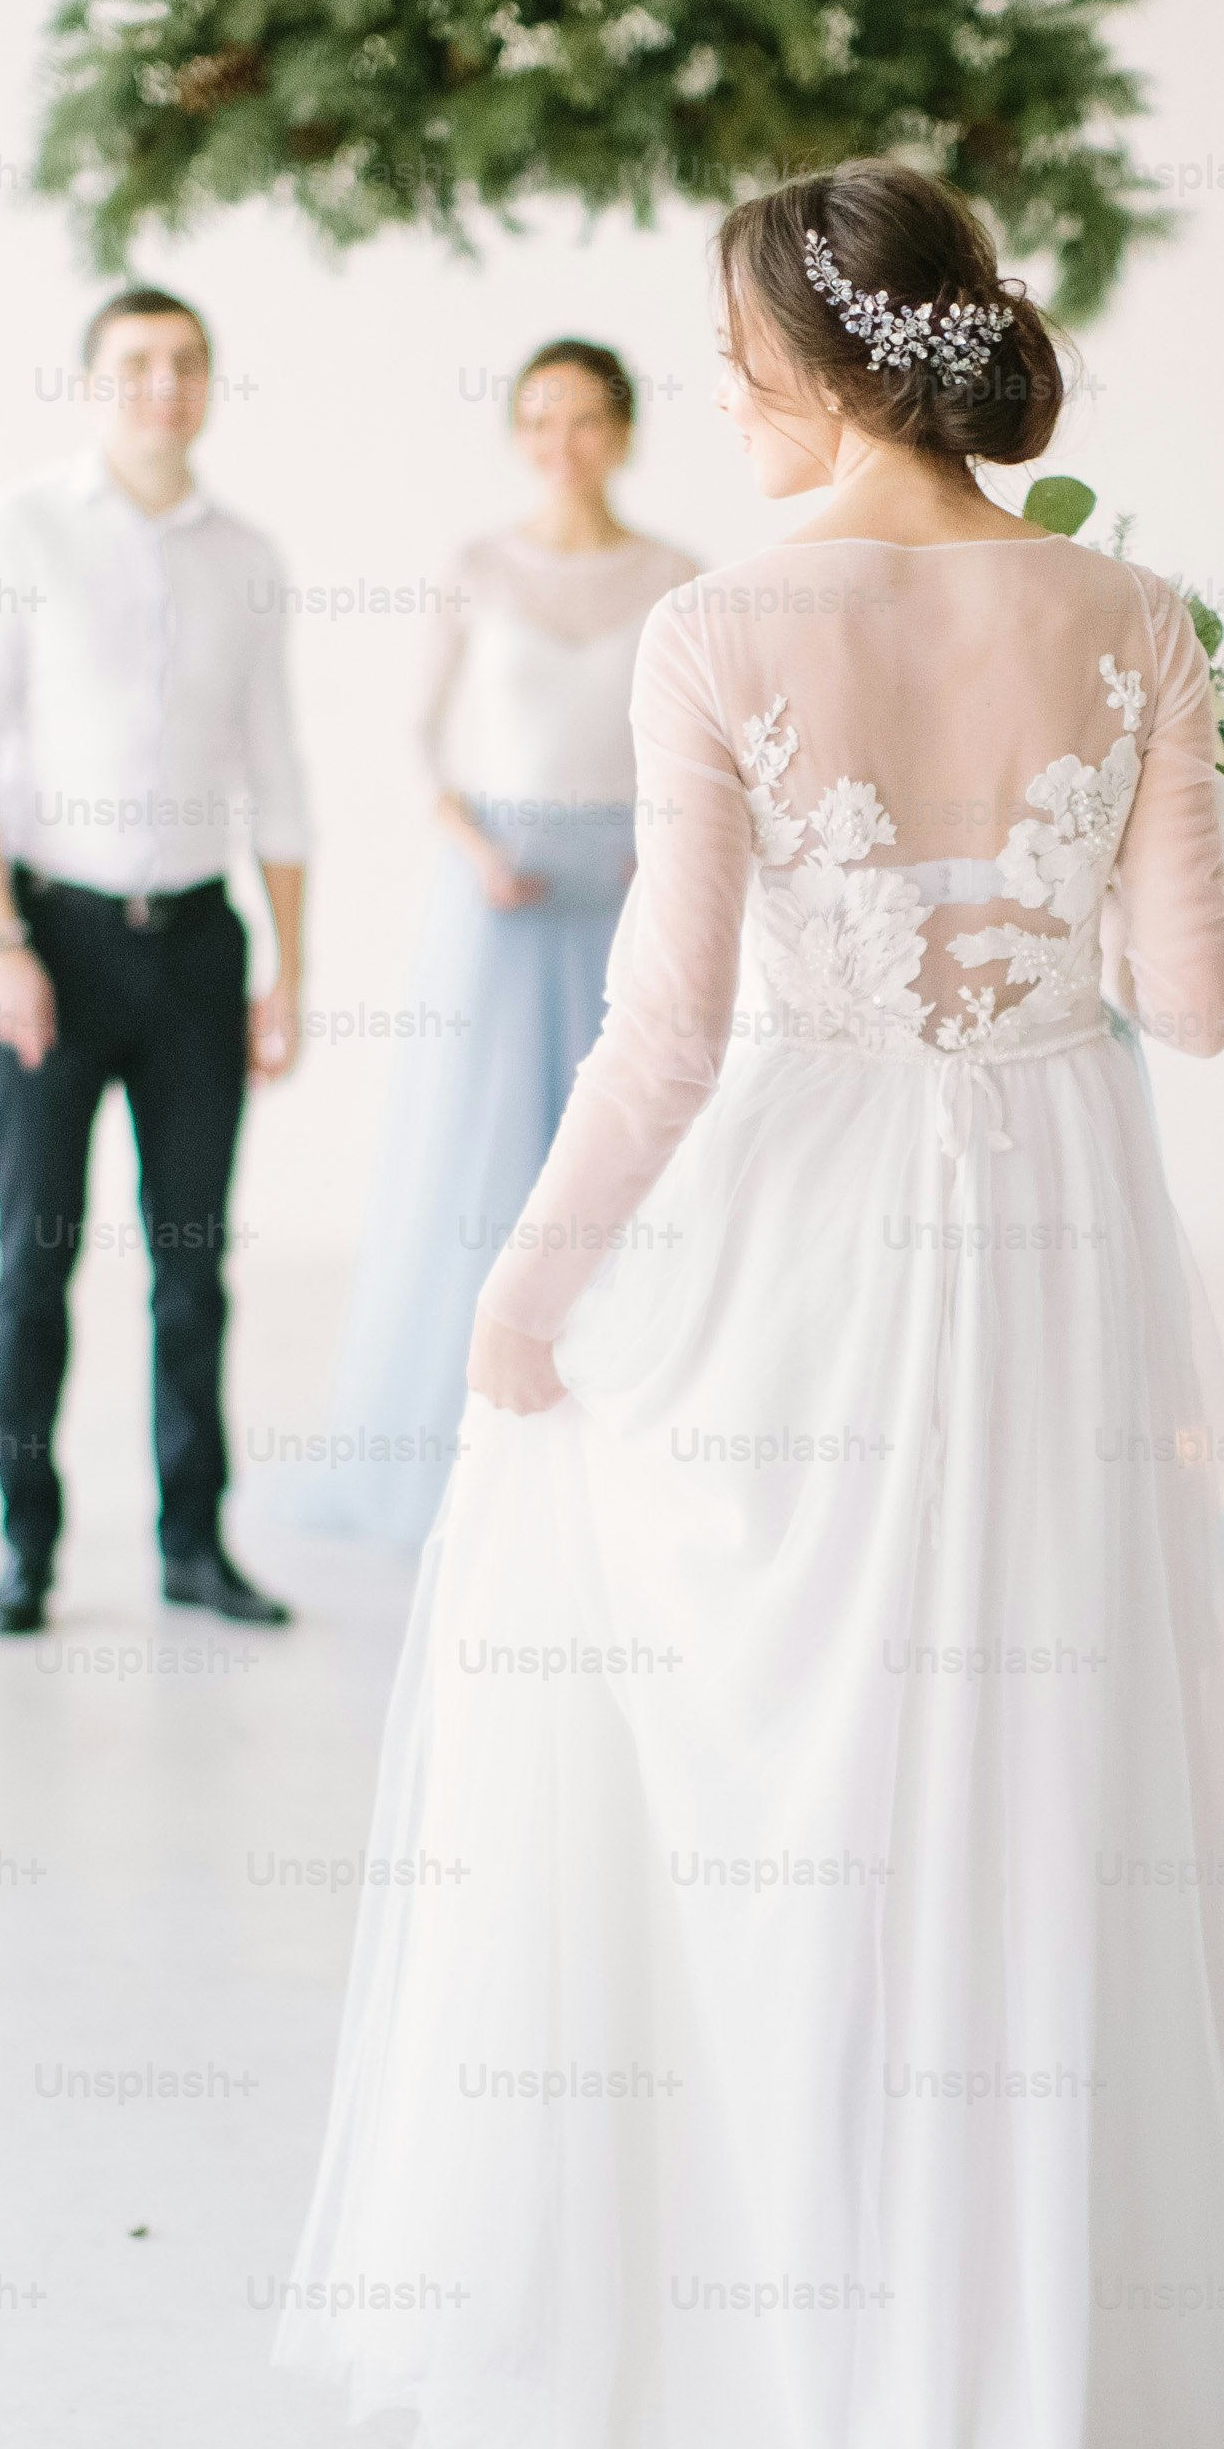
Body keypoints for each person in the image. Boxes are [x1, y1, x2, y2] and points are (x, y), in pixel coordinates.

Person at [276, 161, 1224, 2449]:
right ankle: (1022, 2422)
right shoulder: (1131, 616)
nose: (717, 397)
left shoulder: (716, 624)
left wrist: (529, 1281)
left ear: (811, 367)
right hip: (1049, 1245)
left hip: (802, 1255)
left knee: (761, 1795)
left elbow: (667, 1036)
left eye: (729, 353)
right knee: (1037, 1797)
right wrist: (1127, 807)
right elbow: (1198, 1008)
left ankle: (779, 2379)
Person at [0, 286, 310, 1633]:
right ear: (93, 382)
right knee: (35, 1257)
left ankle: (191, 1544)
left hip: (200, 949)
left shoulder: (249, 558)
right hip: (52, 944)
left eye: (187, 363)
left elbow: (278, 776)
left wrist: (289, 969)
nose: (164, 385)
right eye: (137, 363)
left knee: (191, 1266)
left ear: (209, 384)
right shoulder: (18, 530)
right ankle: (26, 1547)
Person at [273, 339, 697, 1548]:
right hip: (501, 898)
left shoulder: (676, 576)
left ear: (624, 430)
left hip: (625, 889)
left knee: (633, 1146)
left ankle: (626, 1435)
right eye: (538, 420)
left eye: (584, 420)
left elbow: (698, 745)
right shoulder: (474, 566)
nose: (560, 444)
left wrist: (660, 847)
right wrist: (475, 851)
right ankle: (475, 1437)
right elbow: (416, 744)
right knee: (483, 1157)